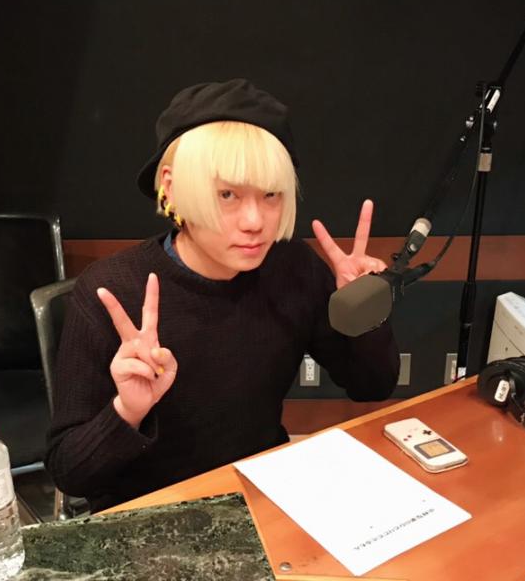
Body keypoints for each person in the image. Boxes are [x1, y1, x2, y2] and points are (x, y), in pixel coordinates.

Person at [46, 78, 400, 513]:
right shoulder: (112, 290)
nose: (255, 221)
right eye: (227, 194)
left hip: (260, 489)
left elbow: (372, 386)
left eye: (270, 195)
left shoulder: (293, 268)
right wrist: (126, 412)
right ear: (171, 188)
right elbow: (69, 471)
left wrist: (362, 310)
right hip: (147, 510)